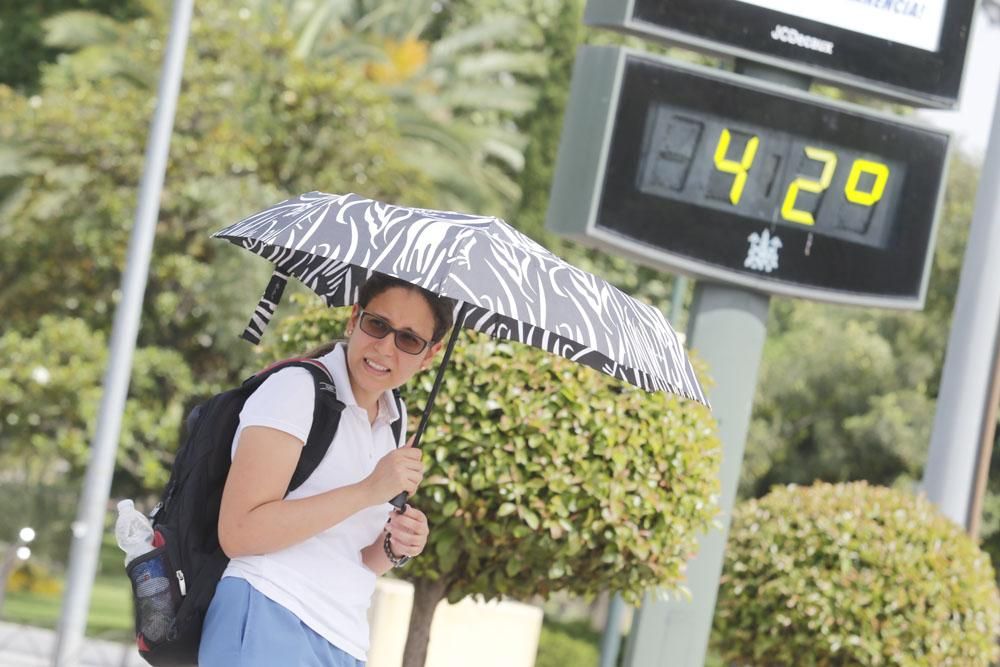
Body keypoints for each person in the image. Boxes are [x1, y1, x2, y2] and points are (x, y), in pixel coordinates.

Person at [198, 273, 455, 667]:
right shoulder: (296, 390)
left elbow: (352, 555)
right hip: (268, 611)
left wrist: (396, 546)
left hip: (344, 637)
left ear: (430, 355)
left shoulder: (394, 418)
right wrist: (369, 490)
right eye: (377, 325)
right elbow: (239, 532)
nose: (385, 347)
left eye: (408, 339)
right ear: (354, 319)